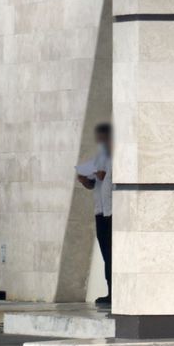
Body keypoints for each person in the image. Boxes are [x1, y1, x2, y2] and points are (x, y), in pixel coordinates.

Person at [77, 123, 113, 306]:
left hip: (112, 212)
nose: (100, 141)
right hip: (100, 211)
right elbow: (93, 183)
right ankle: (110, 291)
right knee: (106, 252)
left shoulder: (115, 156)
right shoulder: (100, 157)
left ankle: (116, 291)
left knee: (113, 252)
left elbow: (103, 176)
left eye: (103, 137)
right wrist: (84, 179)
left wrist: (98, 174)